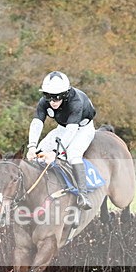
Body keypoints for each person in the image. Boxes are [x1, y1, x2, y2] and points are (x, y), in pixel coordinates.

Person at [26, 71, 96, 210]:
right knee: (39, 151)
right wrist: (32, 147)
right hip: (63, 127)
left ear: (65, 94)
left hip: (82, 128)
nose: (52, 101)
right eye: (48, 96)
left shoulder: (75, 102)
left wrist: (55, 153)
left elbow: (72, 131)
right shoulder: (44, 102)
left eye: (57, 97)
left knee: (72, 154)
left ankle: (83, 195)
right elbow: (37, 123)